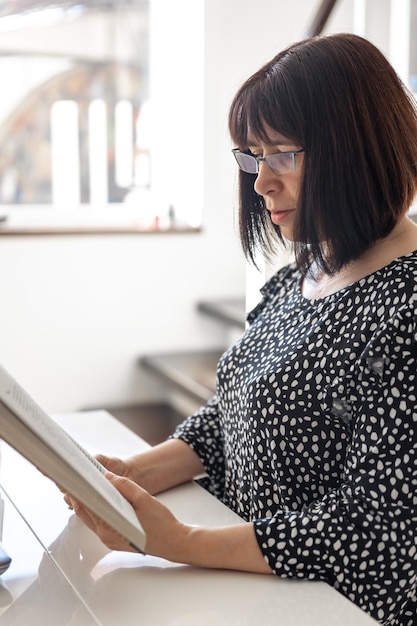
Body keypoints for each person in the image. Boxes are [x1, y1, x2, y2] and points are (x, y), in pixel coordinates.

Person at [66, 33, 417, 625]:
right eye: (252, 158)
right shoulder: (310, 266)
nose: (260, 183)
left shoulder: (405, 305)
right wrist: (135, 473)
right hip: (253, 588)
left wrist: (177, 541)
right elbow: (241, 407)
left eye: (281, 155)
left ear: (355, 150)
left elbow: (378, 533)